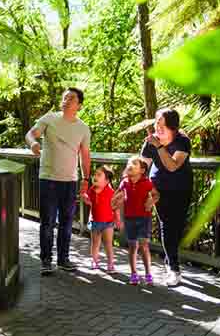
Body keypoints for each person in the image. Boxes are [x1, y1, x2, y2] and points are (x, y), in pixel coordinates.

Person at [26, 87, 91, 275]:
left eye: (71, 98)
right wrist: (33, 144)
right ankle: (46, 261)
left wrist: (86, 179)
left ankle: (63, 259)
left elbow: (85, 155)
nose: (66, 100)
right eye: (64, 97)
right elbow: (30, 134)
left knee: (67, 222)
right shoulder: (49, 119)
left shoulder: (83, 128)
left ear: (78, 105)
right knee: (47, 222)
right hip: (49, 179)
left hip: (70, 181)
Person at [140, 108, 193, 287]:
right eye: (156, 124)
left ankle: (172, 261)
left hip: (181, 189)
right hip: (158, 189)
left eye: (163, 125)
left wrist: (159, 147)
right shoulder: (150, 142)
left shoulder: (182, 141)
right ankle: (173, 268)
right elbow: (141, 166)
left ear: (173, 127)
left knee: (177, 227)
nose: (158, 128)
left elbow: (173, 166)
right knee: (166, 226)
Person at [114, 156, 159, 286]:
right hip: (129, 218)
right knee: (133, 247)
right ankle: (134, 274)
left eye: (134, 163)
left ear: (142, 170)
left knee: (144, 246)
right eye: (128, 163)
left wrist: (151, 201)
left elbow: (156, 195)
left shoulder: (147, 183)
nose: (130, 165)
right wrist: (116, 203)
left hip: (144, 218)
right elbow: (115, 198)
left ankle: (148, 274)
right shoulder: (124, 182)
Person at [80, 165, 122, 271]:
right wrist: (84, 197)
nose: (95, 176)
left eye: (99, 175)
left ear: (107, 180)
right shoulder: (92, 190)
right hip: (95, 222)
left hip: (108, 222)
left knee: (108, 244)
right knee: (95, 243)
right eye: (95, 174)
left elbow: (115, 206)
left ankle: (110, 264)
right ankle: (94, 261)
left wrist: (117, 219)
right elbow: (89, 201)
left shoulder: (111, 192)